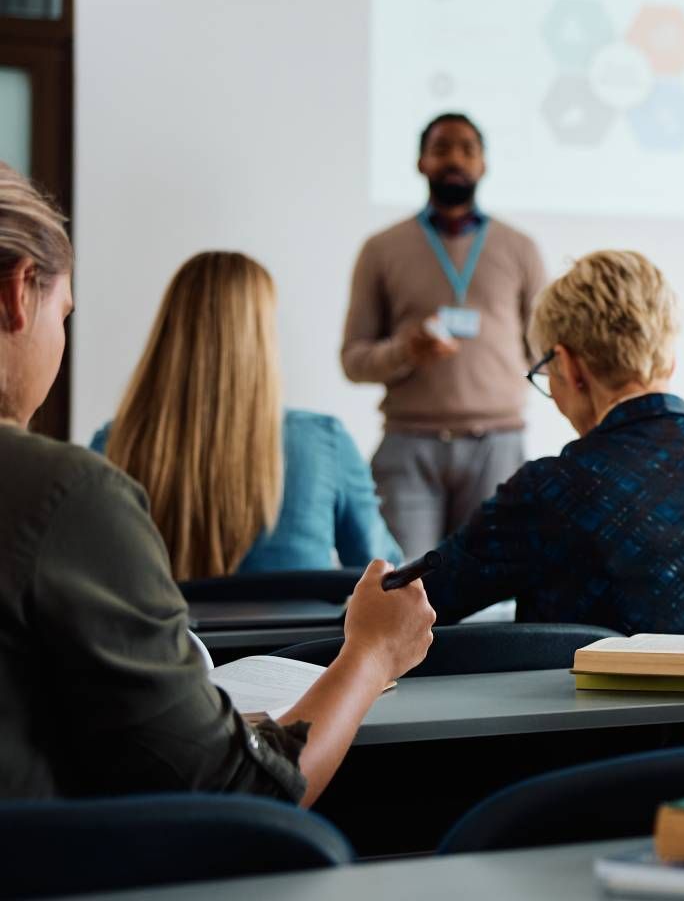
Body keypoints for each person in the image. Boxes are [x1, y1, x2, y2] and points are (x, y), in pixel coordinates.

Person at [0, 166, 433, 804]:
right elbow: (382, 570)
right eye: (64, 314)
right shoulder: (67, 493)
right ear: (18, 295)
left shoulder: (111, 443)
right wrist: (370, 651)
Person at [425, 249, 684, 633]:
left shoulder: (549, 491)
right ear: (669, 356)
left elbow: (412, 608)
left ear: (568, 367)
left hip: (599, 718)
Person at [92, 252, 402, 579]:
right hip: (300, 633)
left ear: (168, 335)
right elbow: (386, 574)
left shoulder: (114, 446)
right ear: (261, 337)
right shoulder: (324, 444)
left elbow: (89, 574)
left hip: (167, 633)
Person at [342, 113, 548, 556]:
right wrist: (405, 351)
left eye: (467, 149)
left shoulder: (520, 248)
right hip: (409, 446)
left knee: (493, 601)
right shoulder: (381, 249)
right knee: (403, 590)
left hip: (497, 445)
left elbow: (546, 351)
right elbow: (353, 360)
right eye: (440, 149)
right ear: (421, 162)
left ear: (484, 164)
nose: (454, 158)